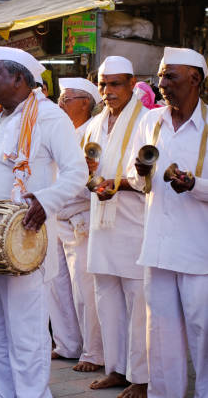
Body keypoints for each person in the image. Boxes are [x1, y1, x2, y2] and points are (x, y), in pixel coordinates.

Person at [0, 46, 87, 398]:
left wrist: (45, 201)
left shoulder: (50, 117)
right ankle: (6, 393)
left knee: (25, 329)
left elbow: (77, 172)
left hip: (24, 240)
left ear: (20, 79)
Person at [128, 47, 208, 398]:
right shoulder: (151, 120)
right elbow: (134, 178)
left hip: (198, 250)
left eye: (170, 76)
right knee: (160, 336)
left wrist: (194, 185)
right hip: (157, 247)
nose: (161, 83)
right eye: (160, 75)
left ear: (195, 79)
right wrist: (140, 173)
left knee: (204, 335)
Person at [84, 56, 149, 397]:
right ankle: (116, 368)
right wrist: (89, 175)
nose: (108, 92)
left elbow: (148, 171)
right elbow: (86, 168)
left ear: (131, 82)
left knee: (138, 301)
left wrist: (118, 184)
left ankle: (141, 376)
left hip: (133, 220)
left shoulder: (148, 119)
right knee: (105, 297)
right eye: (103, 84)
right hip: (101, 220)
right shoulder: (96, 122)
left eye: (115, 84)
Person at [52, 78, 104, 373]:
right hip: (57, 215)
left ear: (85, 102)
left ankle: (93, 351)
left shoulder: (92, 132)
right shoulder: (63, 131)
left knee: (83, 288)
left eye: (67, 98)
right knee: (57, 286)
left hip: (80, 217)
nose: (61, 103)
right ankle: (66, 343)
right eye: (60, 98)